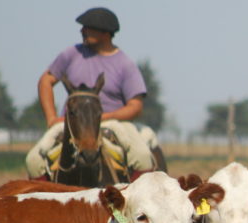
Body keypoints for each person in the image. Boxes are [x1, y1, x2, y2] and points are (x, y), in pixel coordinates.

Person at [26, 7, 164, 180]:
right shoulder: (71, 54)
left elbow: (135, 107)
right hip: (71, 124)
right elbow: (46, 81)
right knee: (33, 160)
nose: (82, 31)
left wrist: (104, 117)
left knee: (142, 157)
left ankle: (134, 201)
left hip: (113, 124)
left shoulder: (124, 64)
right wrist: (51, 118)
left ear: (106, 33)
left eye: (87, 27)